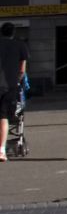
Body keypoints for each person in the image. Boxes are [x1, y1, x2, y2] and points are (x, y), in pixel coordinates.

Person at [0, 22, 25, 162]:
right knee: (3, 117)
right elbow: (22, 70)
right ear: (13, 32)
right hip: (10, 86)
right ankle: (1, 150)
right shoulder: (20, 45)